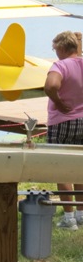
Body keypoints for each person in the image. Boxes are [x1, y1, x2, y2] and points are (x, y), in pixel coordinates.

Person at [44, 30, 83, 231]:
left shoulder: (61, 65)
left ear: (61, 47)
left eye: (55, 48)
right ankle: (81, 213)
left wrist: (58, 102)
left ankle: (69, 218)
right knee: (79, 167)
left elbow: (51, 86)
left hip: (63, 121)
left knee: (61, 168)